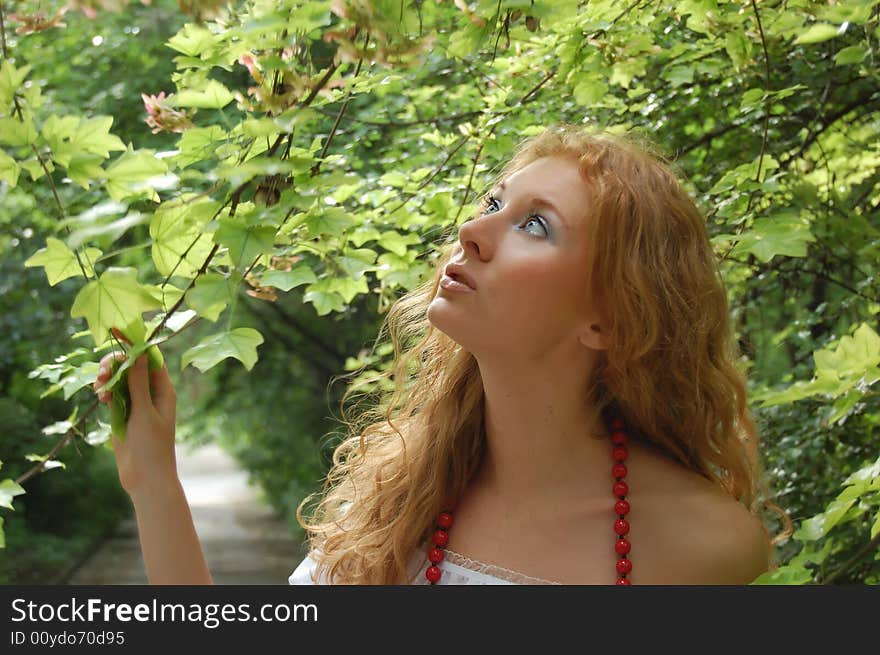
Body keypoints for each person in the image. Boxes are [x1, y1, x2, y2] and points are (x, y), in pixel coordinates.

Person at [94, 124, 791, 586]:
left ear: (608, 319)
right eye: (493, 200)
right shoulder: (398, 497)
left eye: (536, 225)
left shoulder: (710, 550)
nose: (472, 230)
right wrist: (154, 479)